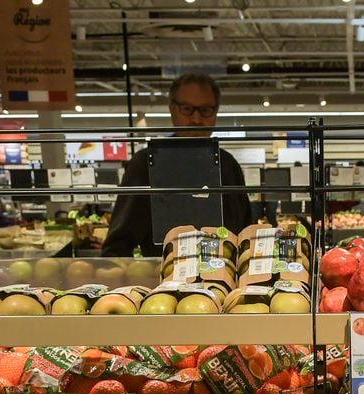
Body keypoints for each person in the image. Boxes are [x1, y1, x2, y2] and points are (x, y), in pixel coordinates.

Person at [101, 73, 252, 257]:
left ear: (216, 112)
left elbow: (245, 236)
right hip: (164, 274)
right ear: (172, 109)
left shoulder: (228, 166)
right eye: (187, 109)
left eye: (205, 110)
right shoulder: (146, 164)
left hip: (221, 272)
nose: (196, 119)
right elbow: (117, 246)